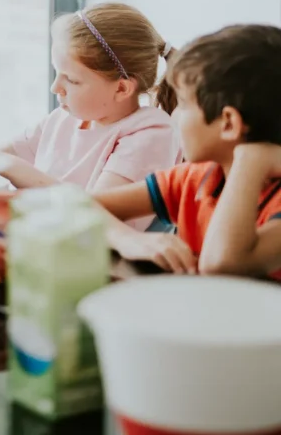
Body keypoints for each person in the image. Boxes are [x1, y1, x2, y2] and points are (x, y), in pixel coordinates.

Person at [0, 3, 182, 197]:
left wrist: (13, 169)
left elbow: (101, 215)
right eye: (57, 73)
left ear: (122, 89)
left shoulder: (150, 134)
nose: (55, 87)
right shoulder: (66, 118)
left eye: (71, 80)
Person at [92, 24, 281, 277]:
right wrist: (127, 239)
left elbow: (221, 265)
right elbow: (78, 206)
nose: (174, 114)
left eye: (182, 103)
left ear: (228, 123)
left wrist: (249, 160)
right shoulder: (192, 177)